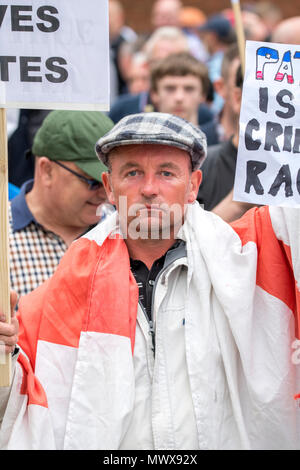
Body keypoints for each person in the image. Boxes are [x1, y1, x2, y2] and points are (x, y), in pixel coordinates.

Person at [0, 112, 300, 450]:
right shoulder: (67, 286)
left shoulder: (243, 265)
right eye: (132, 173)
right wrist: (3, 357)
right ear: (110, 187)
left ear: (193, 185)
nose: (149, 189)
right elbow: (20, 407)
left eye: (167, 173)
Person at [8, 110, 114, 297]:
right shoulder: (3, 236)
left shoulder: (123, 232)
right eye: (93, 182)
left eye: (111, 182)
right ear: (47, 170)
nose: (106, 194)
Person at [149, 52, 218, 144]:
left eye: (189, 89)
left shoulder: (218, 141)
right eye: (170, 88)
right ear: (154, 94)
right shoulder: (141, 147)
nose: (179, 97)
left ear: (203, 94)